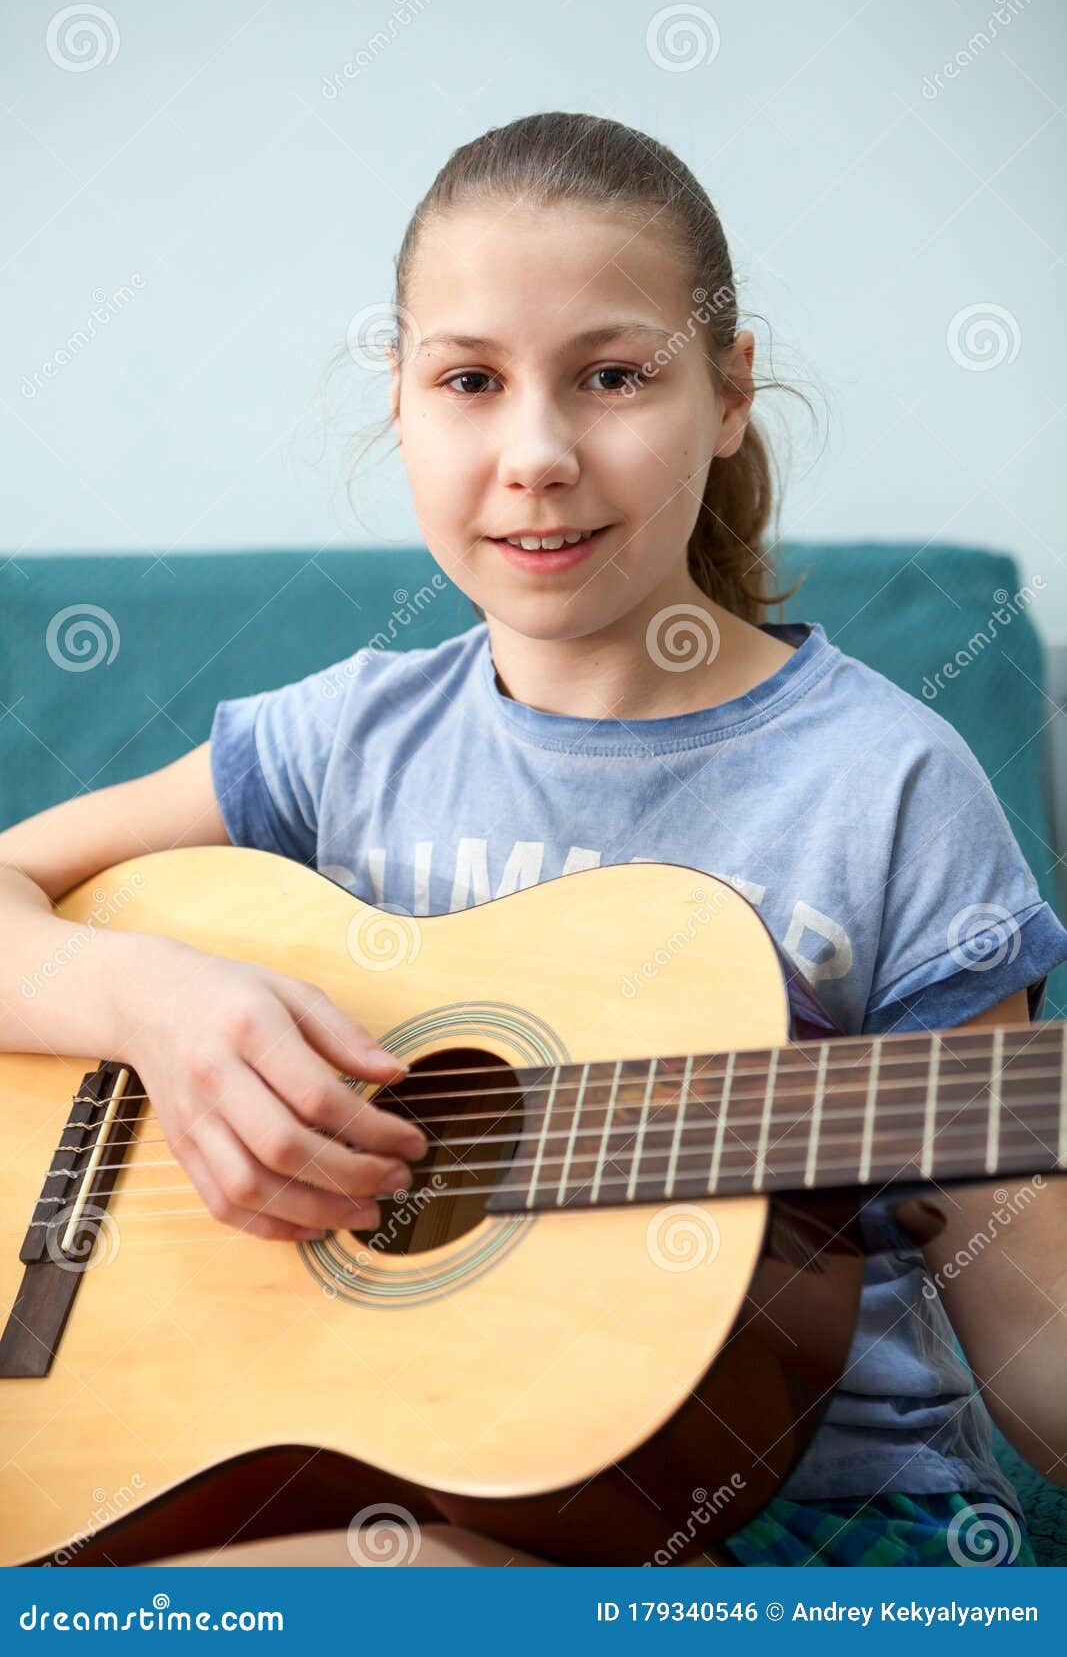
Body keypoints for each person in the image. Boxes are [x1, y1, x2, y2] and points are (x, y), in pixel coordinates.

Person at [2, 111, 1064, 1570]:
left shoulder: (887, 783)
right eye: (470, 381)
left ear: (732, 390)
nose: (538, 452)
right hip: (400, 1504)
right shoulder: (343, 742)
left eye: (612, 376)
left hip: (828, 1524)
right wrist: (160, 1005)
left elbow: (1040, 1363)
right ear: (400, 399)